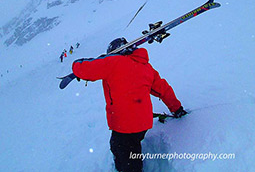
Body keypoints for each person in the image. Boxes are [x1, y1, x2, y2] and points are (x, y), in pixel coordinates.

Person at [72, 37, 187, 172]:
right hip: (143, 124)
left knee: (125, 155)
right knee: (131, 148)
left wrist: (76, 63)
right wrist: (177, 108)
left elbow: (82, 68)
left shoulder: (112, 62)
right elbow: (163, 89)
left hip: (123, 125)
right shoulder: (145, 67)